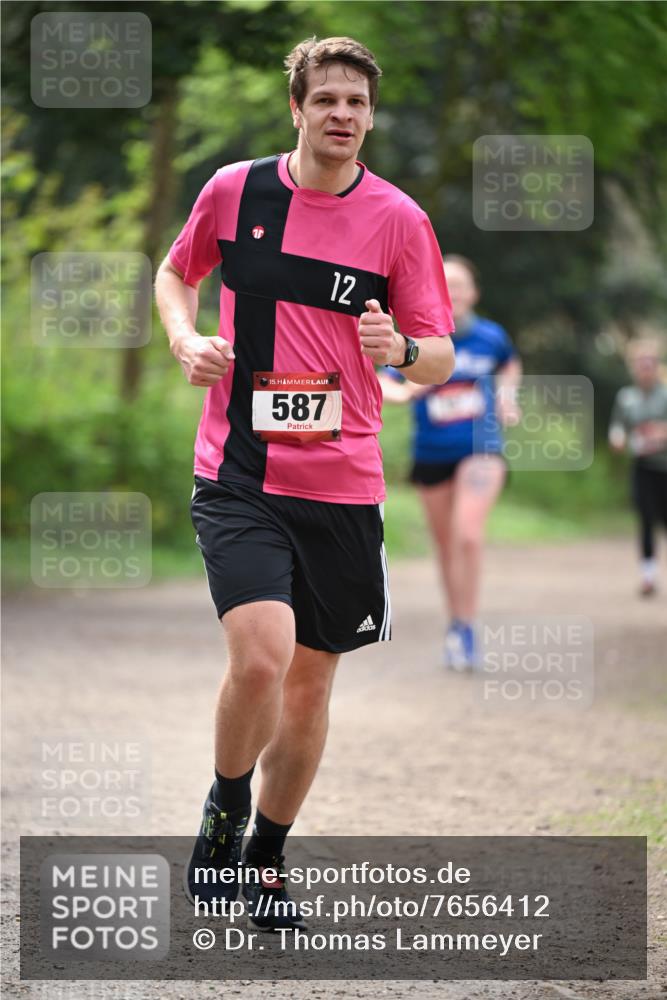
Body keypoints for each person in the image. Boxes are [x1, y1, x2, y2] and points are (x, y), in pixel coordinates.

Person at [154, 36, 455, 930]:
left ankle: (266, 858)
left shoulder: (399, 219)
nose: (341, 116)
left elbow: (436, 353)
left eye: (356, 104)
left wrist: (397, 349)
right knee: (259, 658)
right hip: (238, 471)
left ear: (369, 117)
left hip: (342, 485)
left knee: (310, 689)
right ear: (297, 108)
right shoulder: (234, 191)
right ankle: (223, 806)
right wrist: (184, 338)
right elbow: (176, 273)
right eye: (325, 99)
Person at [378, 255, 521, 671]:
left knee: (468, 535)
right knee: (445, 546)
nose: (453, 292)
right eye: (446, 284)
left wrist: (508, 396)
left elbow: (510, 364)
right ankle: (457, 624)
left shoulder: (491, 337)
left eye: (461, 285)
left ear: (473, 293)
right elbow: (386, 379)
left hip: (481, 449)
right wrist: (409, 393)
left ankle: (469, 626)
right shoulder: (419, 338)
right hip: (432, 454)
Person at [608, 338, 667, 597]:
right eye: (640, 364)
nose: (645, 368)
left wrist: (660, 434)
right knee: (645, 519)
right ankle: (648, 576)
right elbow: (618, 426)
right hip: (642, 467)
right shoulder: (626, 398)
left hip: (665, 468)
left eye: (649, 363)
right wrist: (618, 438)